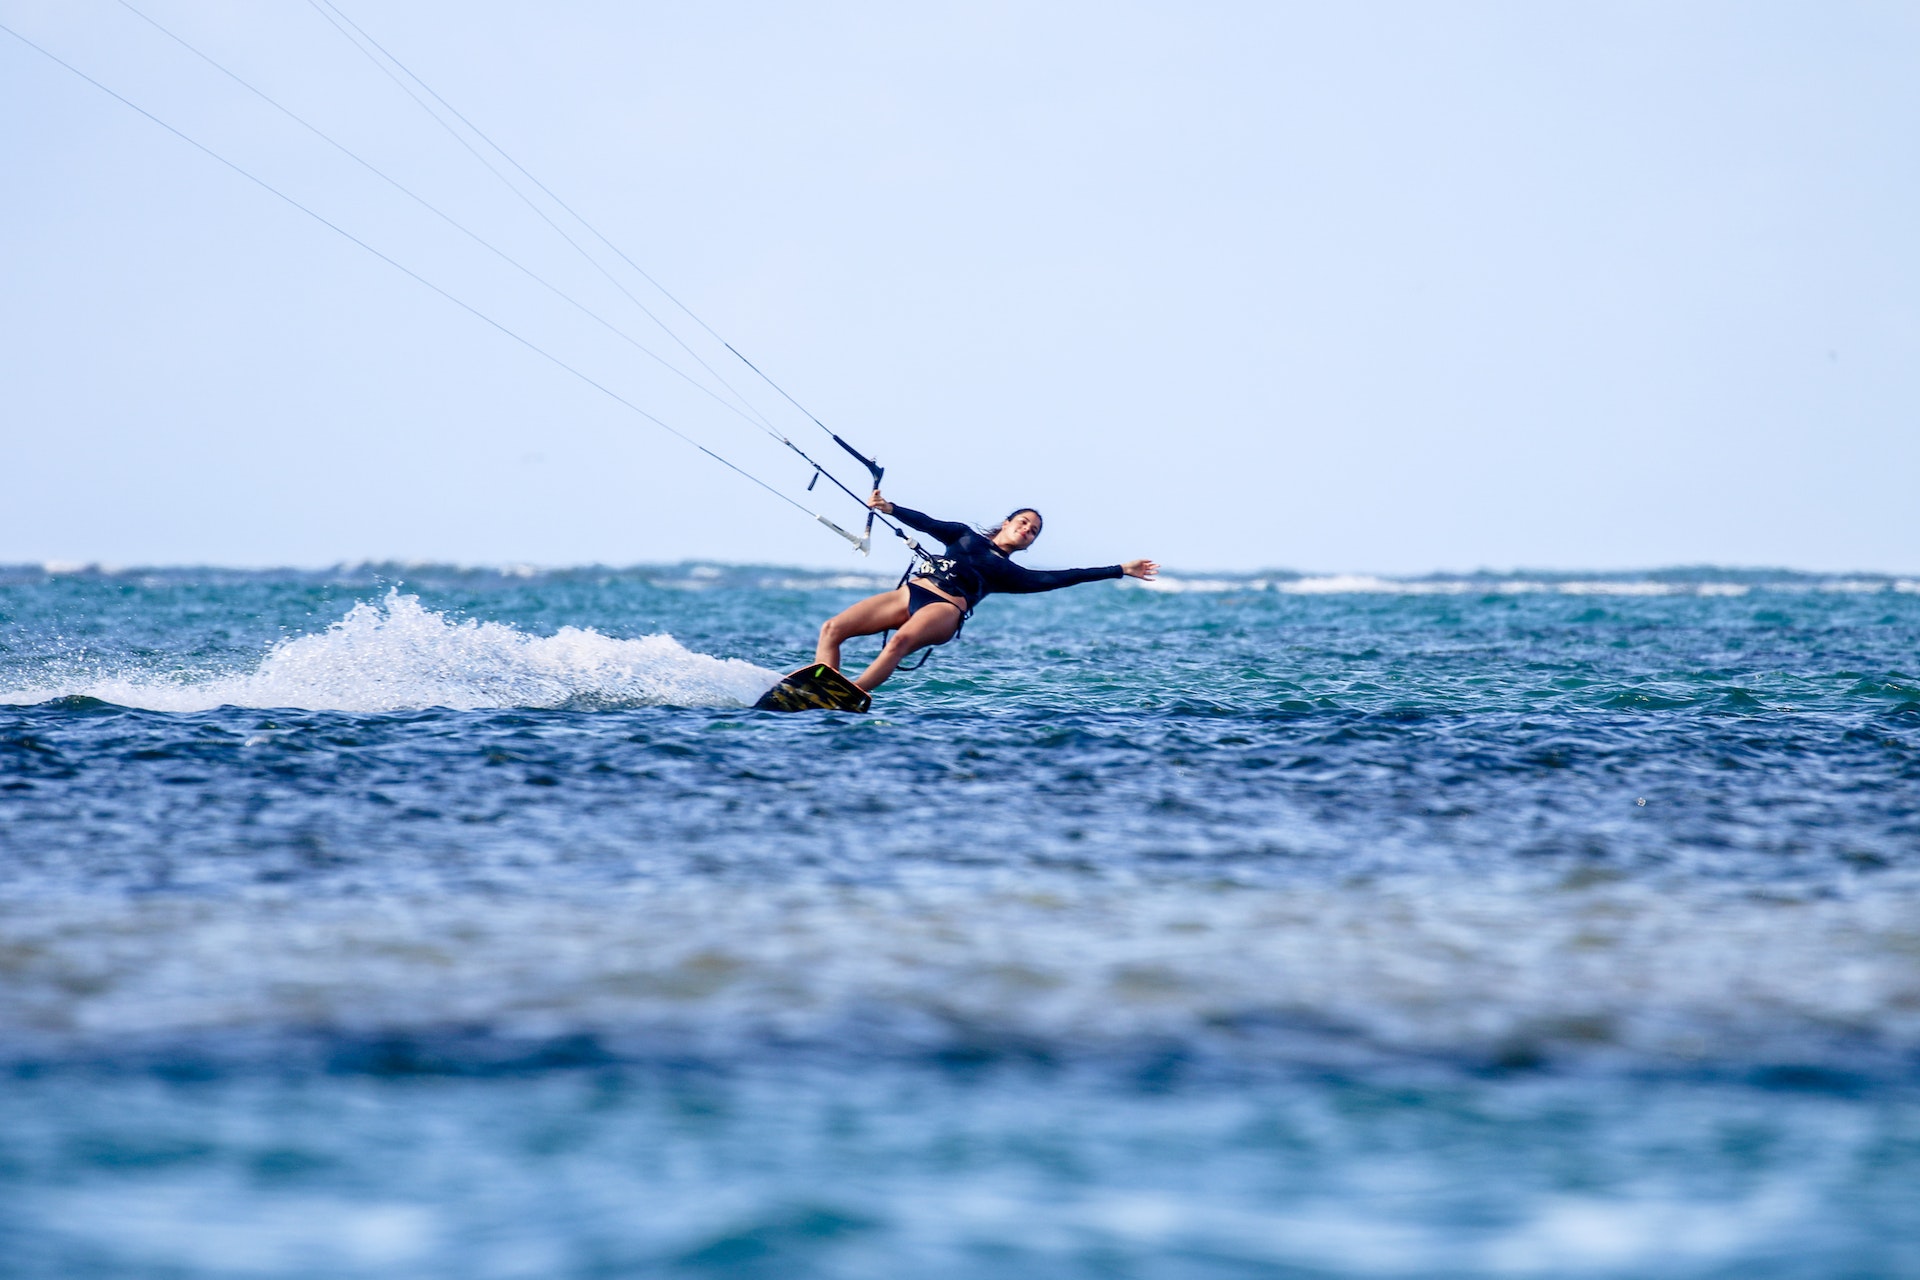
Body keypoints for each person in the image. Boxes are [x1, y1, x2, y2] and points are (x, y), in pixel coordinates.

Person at [815, 491, 1159, 692]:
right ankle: (820, 685)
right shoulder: (964, 536)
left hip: (944, 610)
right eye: (1023, 522)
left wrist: (1120, 569)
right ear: (1006, 523)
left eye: (1034, 532)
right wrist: (890, 508)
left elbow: (1065, 576)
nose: (1027, 530)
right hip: (911, 593)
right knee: (832, 628)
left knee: (899, 643)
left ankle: (850, 692)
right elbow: (928, 522)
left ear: (1030, 544)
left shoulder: (1011, 574)